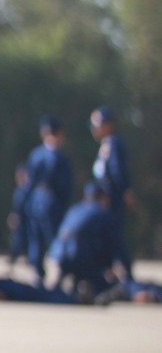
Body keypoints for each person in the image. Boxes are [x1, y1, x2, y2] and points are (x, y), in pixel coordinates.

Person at [24, 116, 72, 285]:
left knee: (37, 237)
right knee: (53, 238)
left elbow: (28, 183)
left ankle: (38, 272)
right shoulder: (59, 156)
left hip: (36, 199)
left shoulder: (36, 154)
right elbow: (66, 185)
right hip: (51, 200)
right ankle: (59, 269)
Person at [49, 182, 116, 302]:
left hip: (57, 254)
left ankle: (66, 289)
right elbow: (109, 245)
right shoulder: (101, 212)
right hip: (78, 255)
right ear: (102, 196)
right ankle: (84, 292)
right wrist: (108, 267)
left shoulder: (75, 209)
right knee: (106, 285)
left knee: (63, 288)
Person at [89, 105, 134, 281]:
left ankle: (125, 274)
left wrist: (120, 191)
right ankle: (108, 272)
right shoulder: (106, 144)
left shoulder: (113, 143)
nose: (94, 128)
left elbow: (117, 172)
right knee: (107, 237)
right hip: (106, 199)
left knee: (113, 236)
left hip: (111, 199)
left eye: (97, 124)